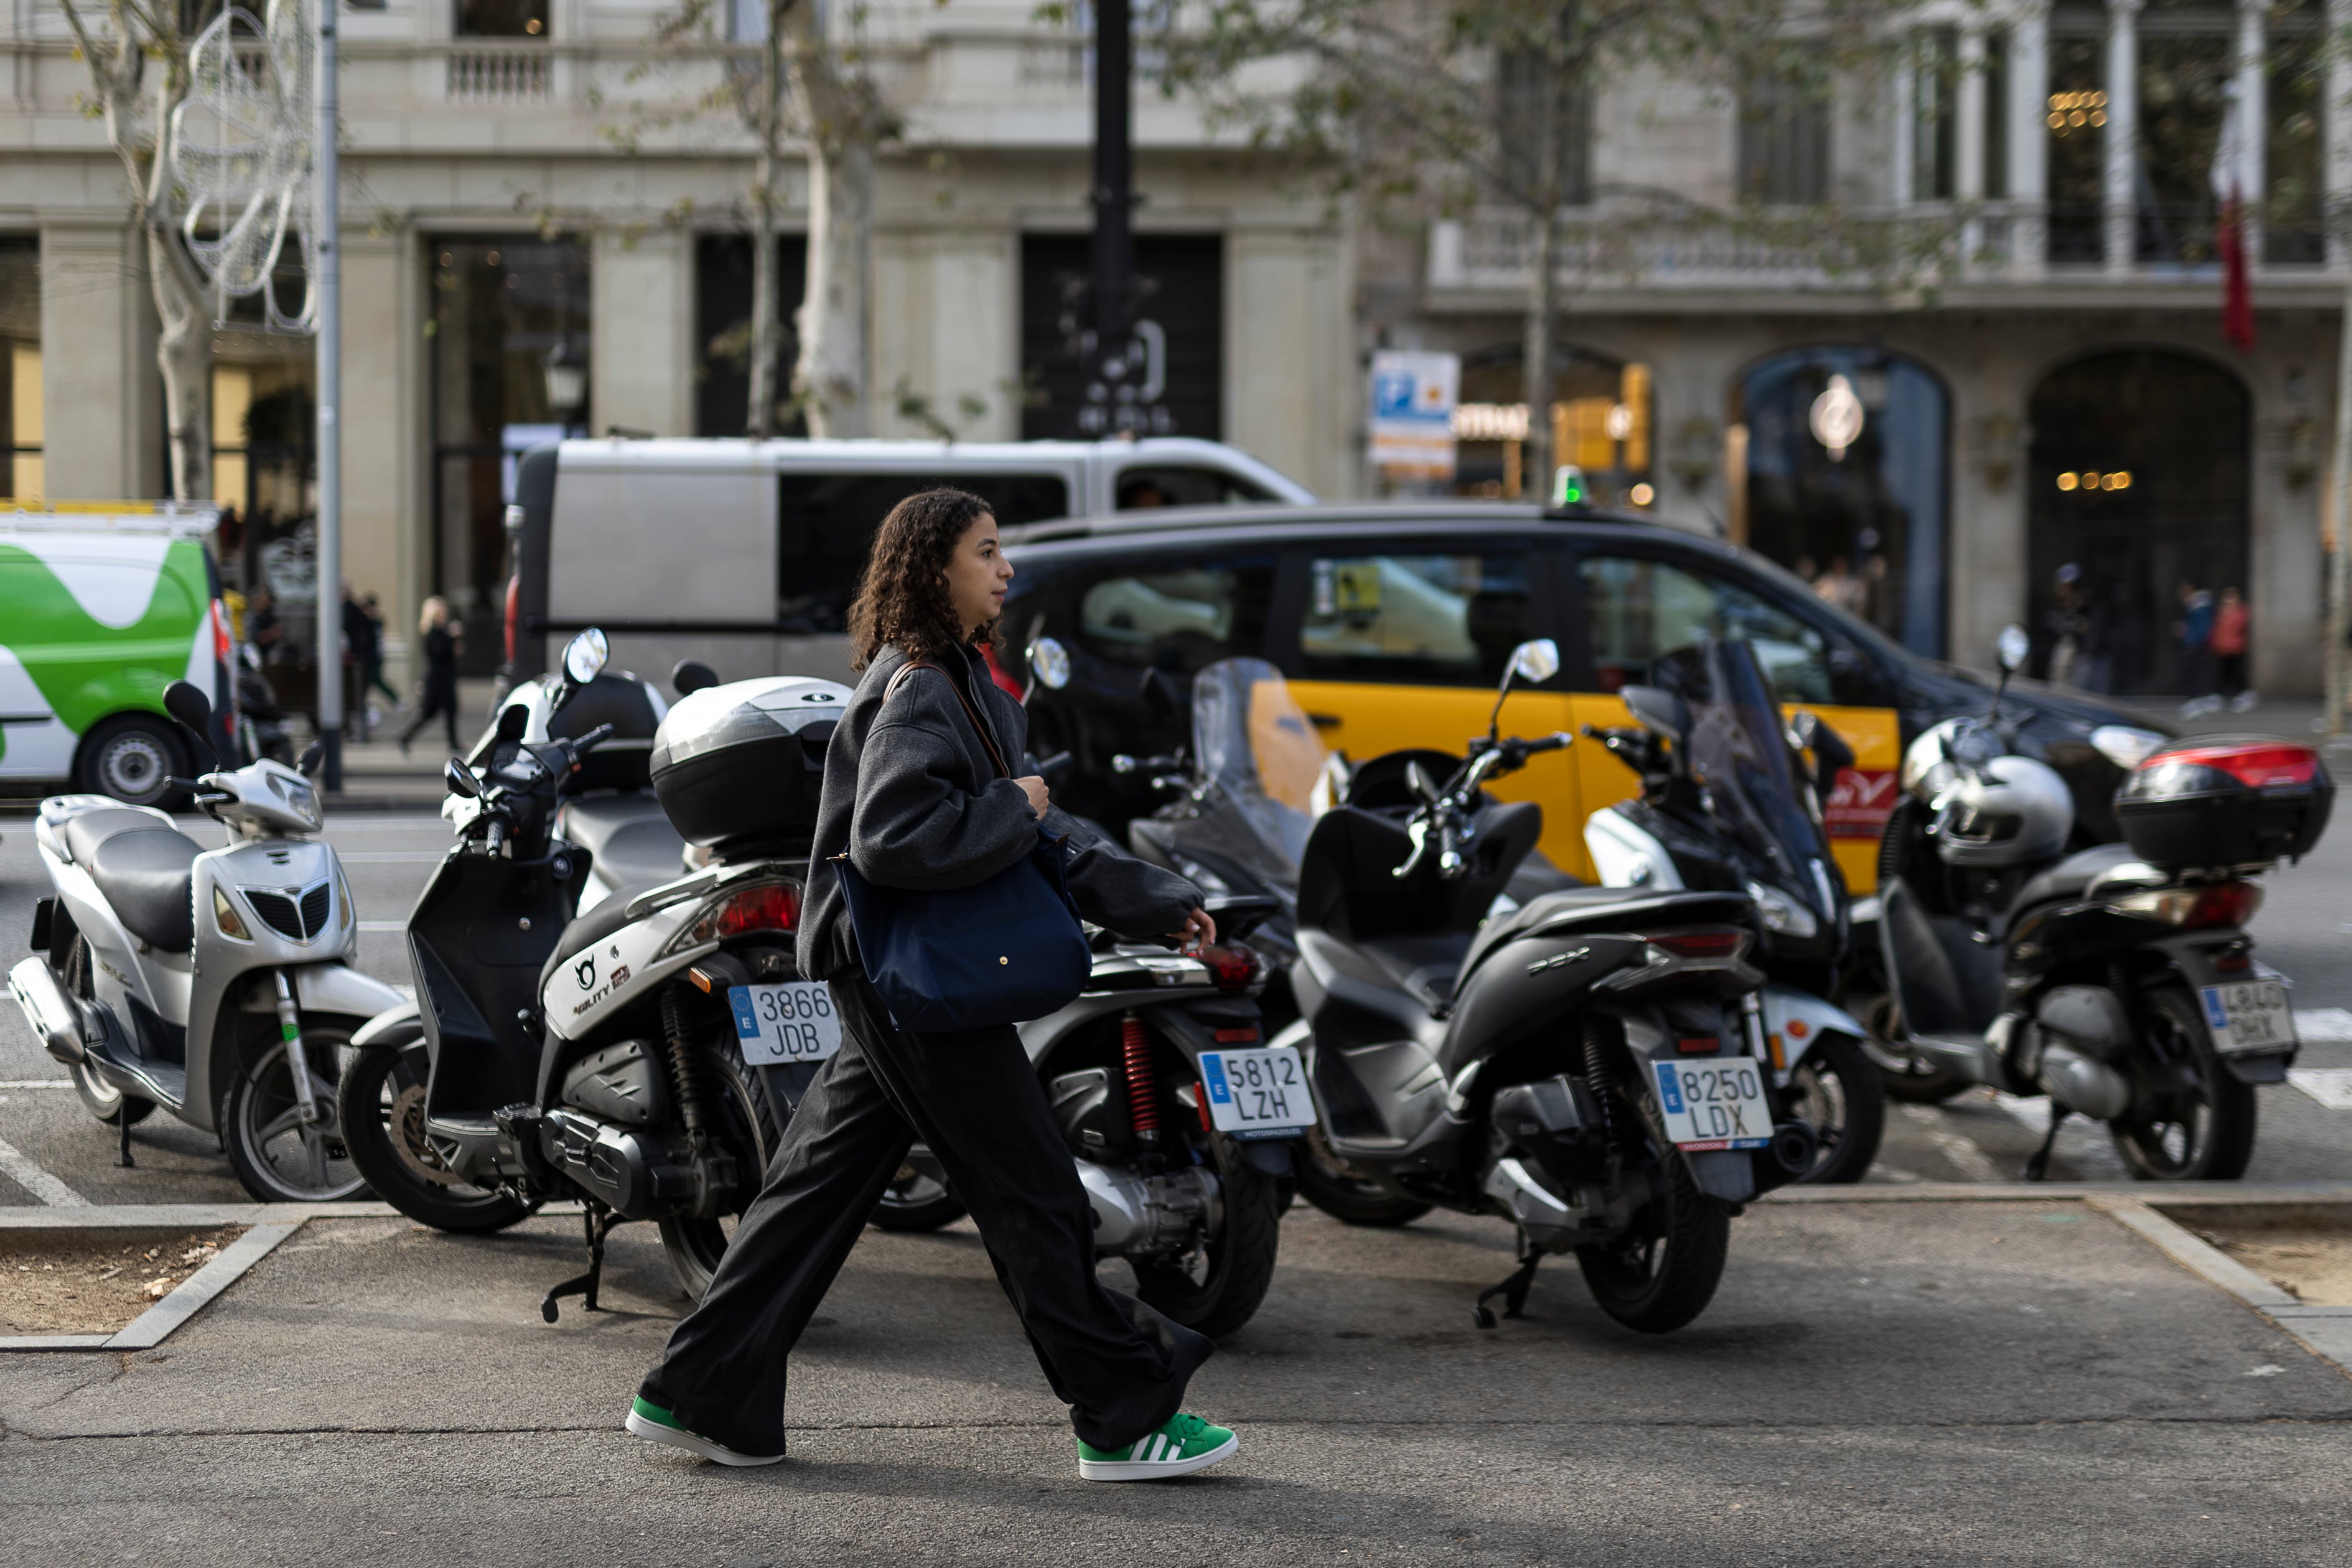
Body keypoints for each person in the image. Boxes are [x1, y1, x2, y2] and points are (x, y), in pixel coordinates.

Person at [626, 487, 1238, 1482]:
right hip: (915, 973)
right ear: (933, 569)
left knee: (815, 1191)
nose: (1005, 570)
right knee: (1033, 1190)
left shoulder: (966, 686)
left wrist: (1151, 897)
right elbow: (897, 838)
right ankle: (1122, 1417)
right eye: (987, 552)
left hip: (898, 974)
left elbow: (1036, 832)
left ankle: (701, 1394)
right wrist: (1013, 801)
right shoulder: (917, 686)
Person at [398, 597, 462, 756]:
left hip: (445, 676)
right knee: (429, 713)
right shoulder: (431, 632)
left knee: (450, 710)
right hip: (437, 679)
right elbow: (438, 653)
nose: (444, 616)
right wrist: (452, 638)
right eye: (440, 613)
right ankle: (405, 737)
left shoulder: (442, 632)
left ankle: (453, 742)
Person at [340, 581, 376, 740]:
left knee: (354, 698)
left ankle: (356, 730)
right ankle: (356, 730)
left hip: (353, 662)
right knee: (355, 699)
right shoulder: (353, 611)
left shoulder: (349, 611)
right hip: (354, 662)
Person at [2177, 582, 2216, 716]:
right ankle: (2197, 698)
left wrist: (2192, 639)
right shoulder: (2194, 607)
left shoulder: (2199, 607)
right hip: (2194, 643)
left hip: (2196, 645)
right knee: (2194, 672)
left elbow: (2202, 627)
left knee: (2196, 672)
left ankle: (2197, 699)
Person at [359, 592, 402, 714]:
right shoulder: (365, 622)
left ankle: (395, 699)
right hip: (367, 657)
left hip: (376, 657)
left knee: (375, 680)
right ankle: (365, 705)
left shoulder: (376, 622)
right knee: (369, 682)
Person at [2212, 586, 2254, 712]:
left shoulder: (2240, 612)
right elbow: (2219, 631)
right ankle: (2221, 697)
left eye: (2231, 597)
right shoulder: (2222, 612)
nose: (2229, 601)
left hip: (2235, 648)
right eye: (2227, 598)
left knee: (2237, 673)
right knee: (2223, 674)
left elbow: (2237, 627)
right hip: (2223, 648)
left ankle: (2242, 696)